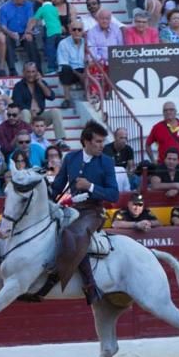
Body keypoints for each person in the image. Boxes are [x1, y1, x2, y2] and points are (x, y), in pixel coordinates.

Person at [49, 120, 119, 304]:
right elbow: (57, 187)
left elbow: (114, 194)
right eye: (97, 141)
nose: (101, 146)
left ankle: (90, 285)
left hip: (94, 211)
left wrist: (90, 186)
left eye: (102, 141)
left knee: (75, 232)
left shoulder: (106, 162)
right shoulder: (71, 158)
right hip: (72, 208)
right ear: (86, 142)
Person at [145, 102, 179, 168]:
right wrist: (153, 160)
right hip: (163, 168)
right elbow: (147, 145)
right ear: (163, 113)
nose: (168, 112)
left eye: (171, 110)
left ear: (176, 112)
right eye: (165, 110)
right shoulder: (157, 127)